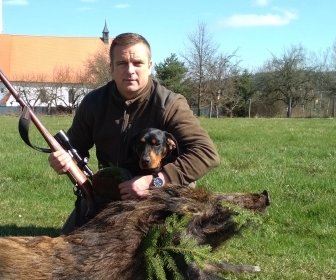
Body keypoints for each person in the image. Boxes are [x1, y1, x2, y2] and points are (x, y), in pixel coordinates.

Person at [49, 32, 220, 234]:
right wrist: (62, 160)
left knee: (162, 252)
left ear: (149, 66)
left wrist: (156, 181)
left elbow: (207, 154)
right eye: (122, 63)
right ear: (111, 68)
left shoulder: (170, 104)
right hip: (112, 191)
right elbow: (75, 149)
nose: (130, 71)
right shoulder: (93, 103)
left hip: (164, 192)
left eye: (137, 63)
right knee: (67, 244)